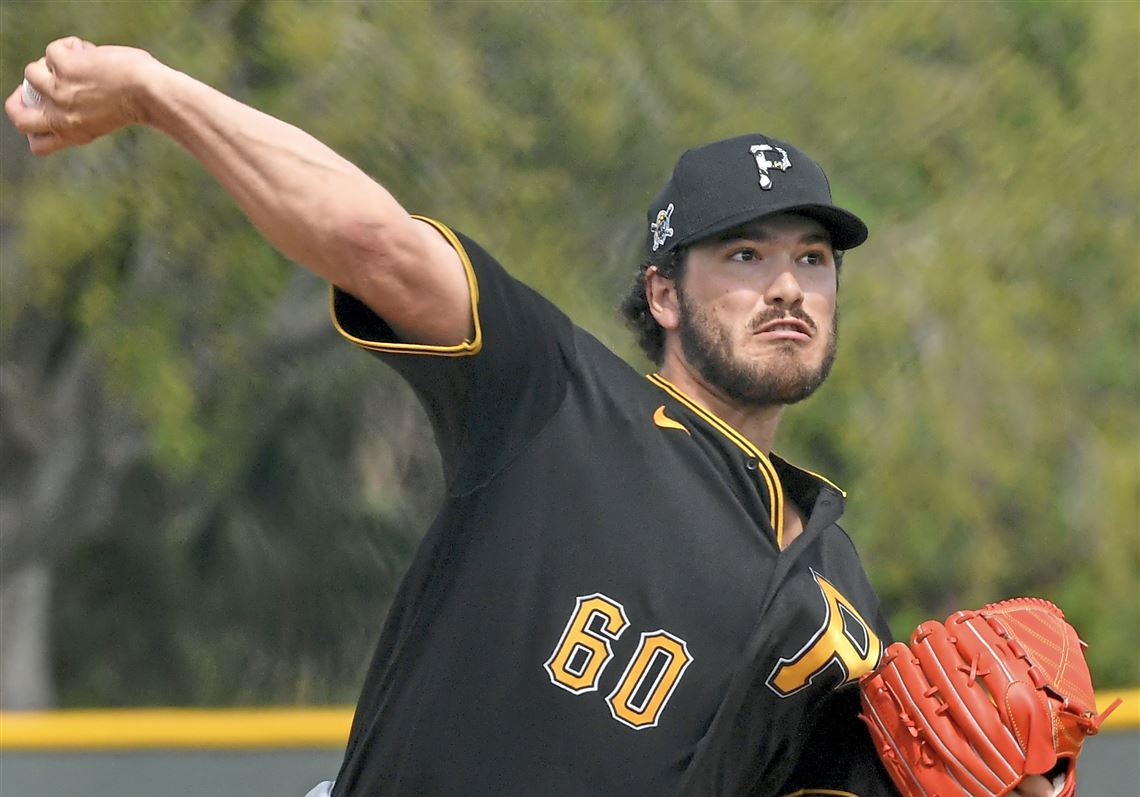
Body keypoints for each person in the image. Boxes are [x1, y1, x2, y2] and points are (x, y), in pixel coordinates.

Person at [7, 37, 1058, 797]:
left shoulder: (842, 589)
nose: (787, 286)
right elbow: (372, 239)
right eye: (745, 253)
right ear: (661, 292)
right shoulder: (556, 401)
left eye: (813, 260)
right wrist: (155, 91)